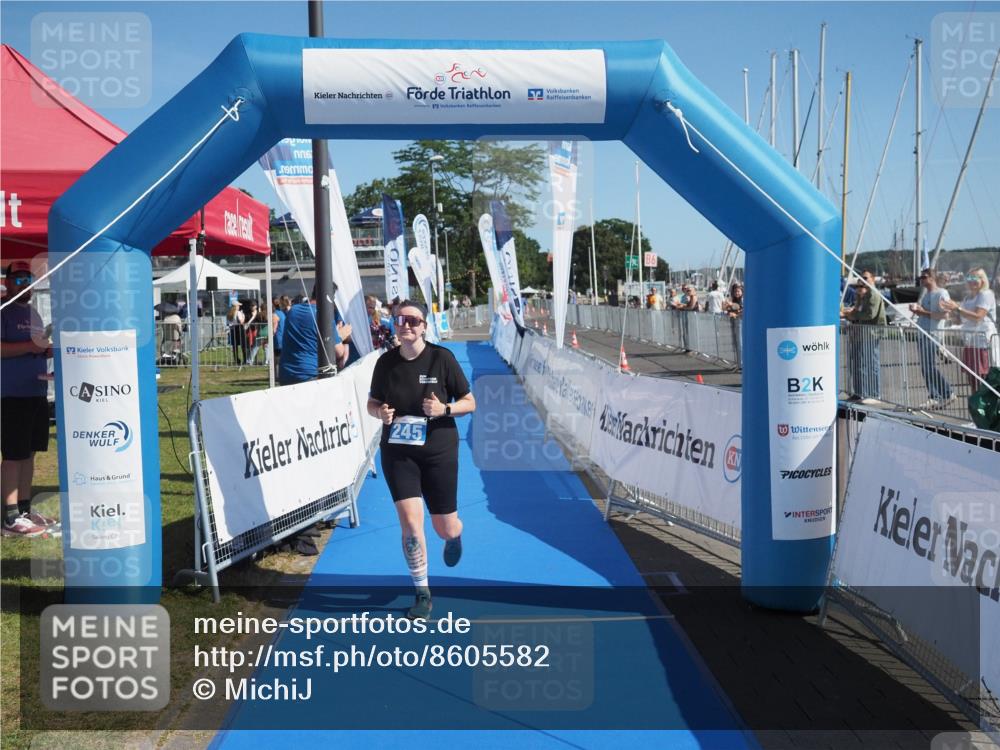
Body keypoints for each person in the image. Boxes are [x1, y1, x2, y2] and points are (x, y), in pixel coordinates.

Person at [367, 300, 477, 620]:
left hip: (439, 451)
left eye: (414, 320)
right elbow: (373, 403)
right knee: (412, 526)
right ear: (394, 324)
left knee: (442, 526)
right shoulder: (385, 363)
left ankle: (454, 534)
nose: (406, 325)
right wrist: (380, 413)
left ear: (424, 326)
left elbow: (470, 402)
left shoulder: (442, 359)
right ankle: (422, 591)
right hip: (399, 453)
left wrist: (443, 409)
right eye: (400, 319)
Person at [1, 261, 58, 537]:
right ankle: (10, 517)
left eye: (30, 280)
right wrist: (31, 347)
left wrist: (45, 351)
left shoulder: (33, 312)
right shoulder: (3, 310)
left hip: (36, 391)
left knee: (30, 453)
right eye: (20, 280)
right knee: (13, 455)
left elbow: (35, 345)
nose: (27, 285)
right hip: (10, 393)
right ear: (7, 283)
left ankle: (23, 510)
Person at [278, 287, 351, 385]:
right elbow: (339, 352)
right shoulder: (324, 316)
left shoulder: (293, 310)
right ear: (331, 299)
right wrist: (340, 336)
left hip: (285, 374)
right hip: (309, 375)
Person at [941, 267, 998, 389]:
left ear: (982, 280)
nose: (972, 281)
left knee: (984, 378)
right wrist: (950, 310)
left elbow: (978, 316)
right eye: (969, 278)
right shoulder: (967, 298)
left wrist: (957, 308)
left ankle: (989, 406)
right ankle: (976, 406)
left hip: (984, 343)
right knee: (972, 379)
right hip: (971, 343)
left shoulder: (986, 294)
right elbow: (961, 319)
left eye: (975, 277)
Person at [909, 269, 954, 408]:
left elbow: (945, 315)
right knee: (925, 367)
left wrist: (921, 311)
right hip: (923, 332)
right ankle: (935, 395)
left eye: (924, 277)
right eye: (920, 277)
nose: (921, 279)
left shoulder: (941, 293)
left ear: (932, 278)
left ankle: (946, 393)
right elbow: (926, 312)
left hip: (932, 333)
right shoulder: (927, 294)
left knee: (929, 366)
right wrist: (917, 309)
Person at [842, 271, 886, 402]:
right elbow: (858, 311)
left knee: (870, 363)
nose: (862, 281)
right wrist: (848, 313)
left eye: (865, 278)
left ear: (872, 279)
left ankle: (874, 394)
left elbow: (870, 314)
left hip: (871, 333)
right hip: (860, 333)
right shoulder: (862, 295)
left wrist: (852, 316)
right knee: (858, 363)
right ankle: (859, 392)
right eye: (861, 278)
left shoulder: (873, 294)